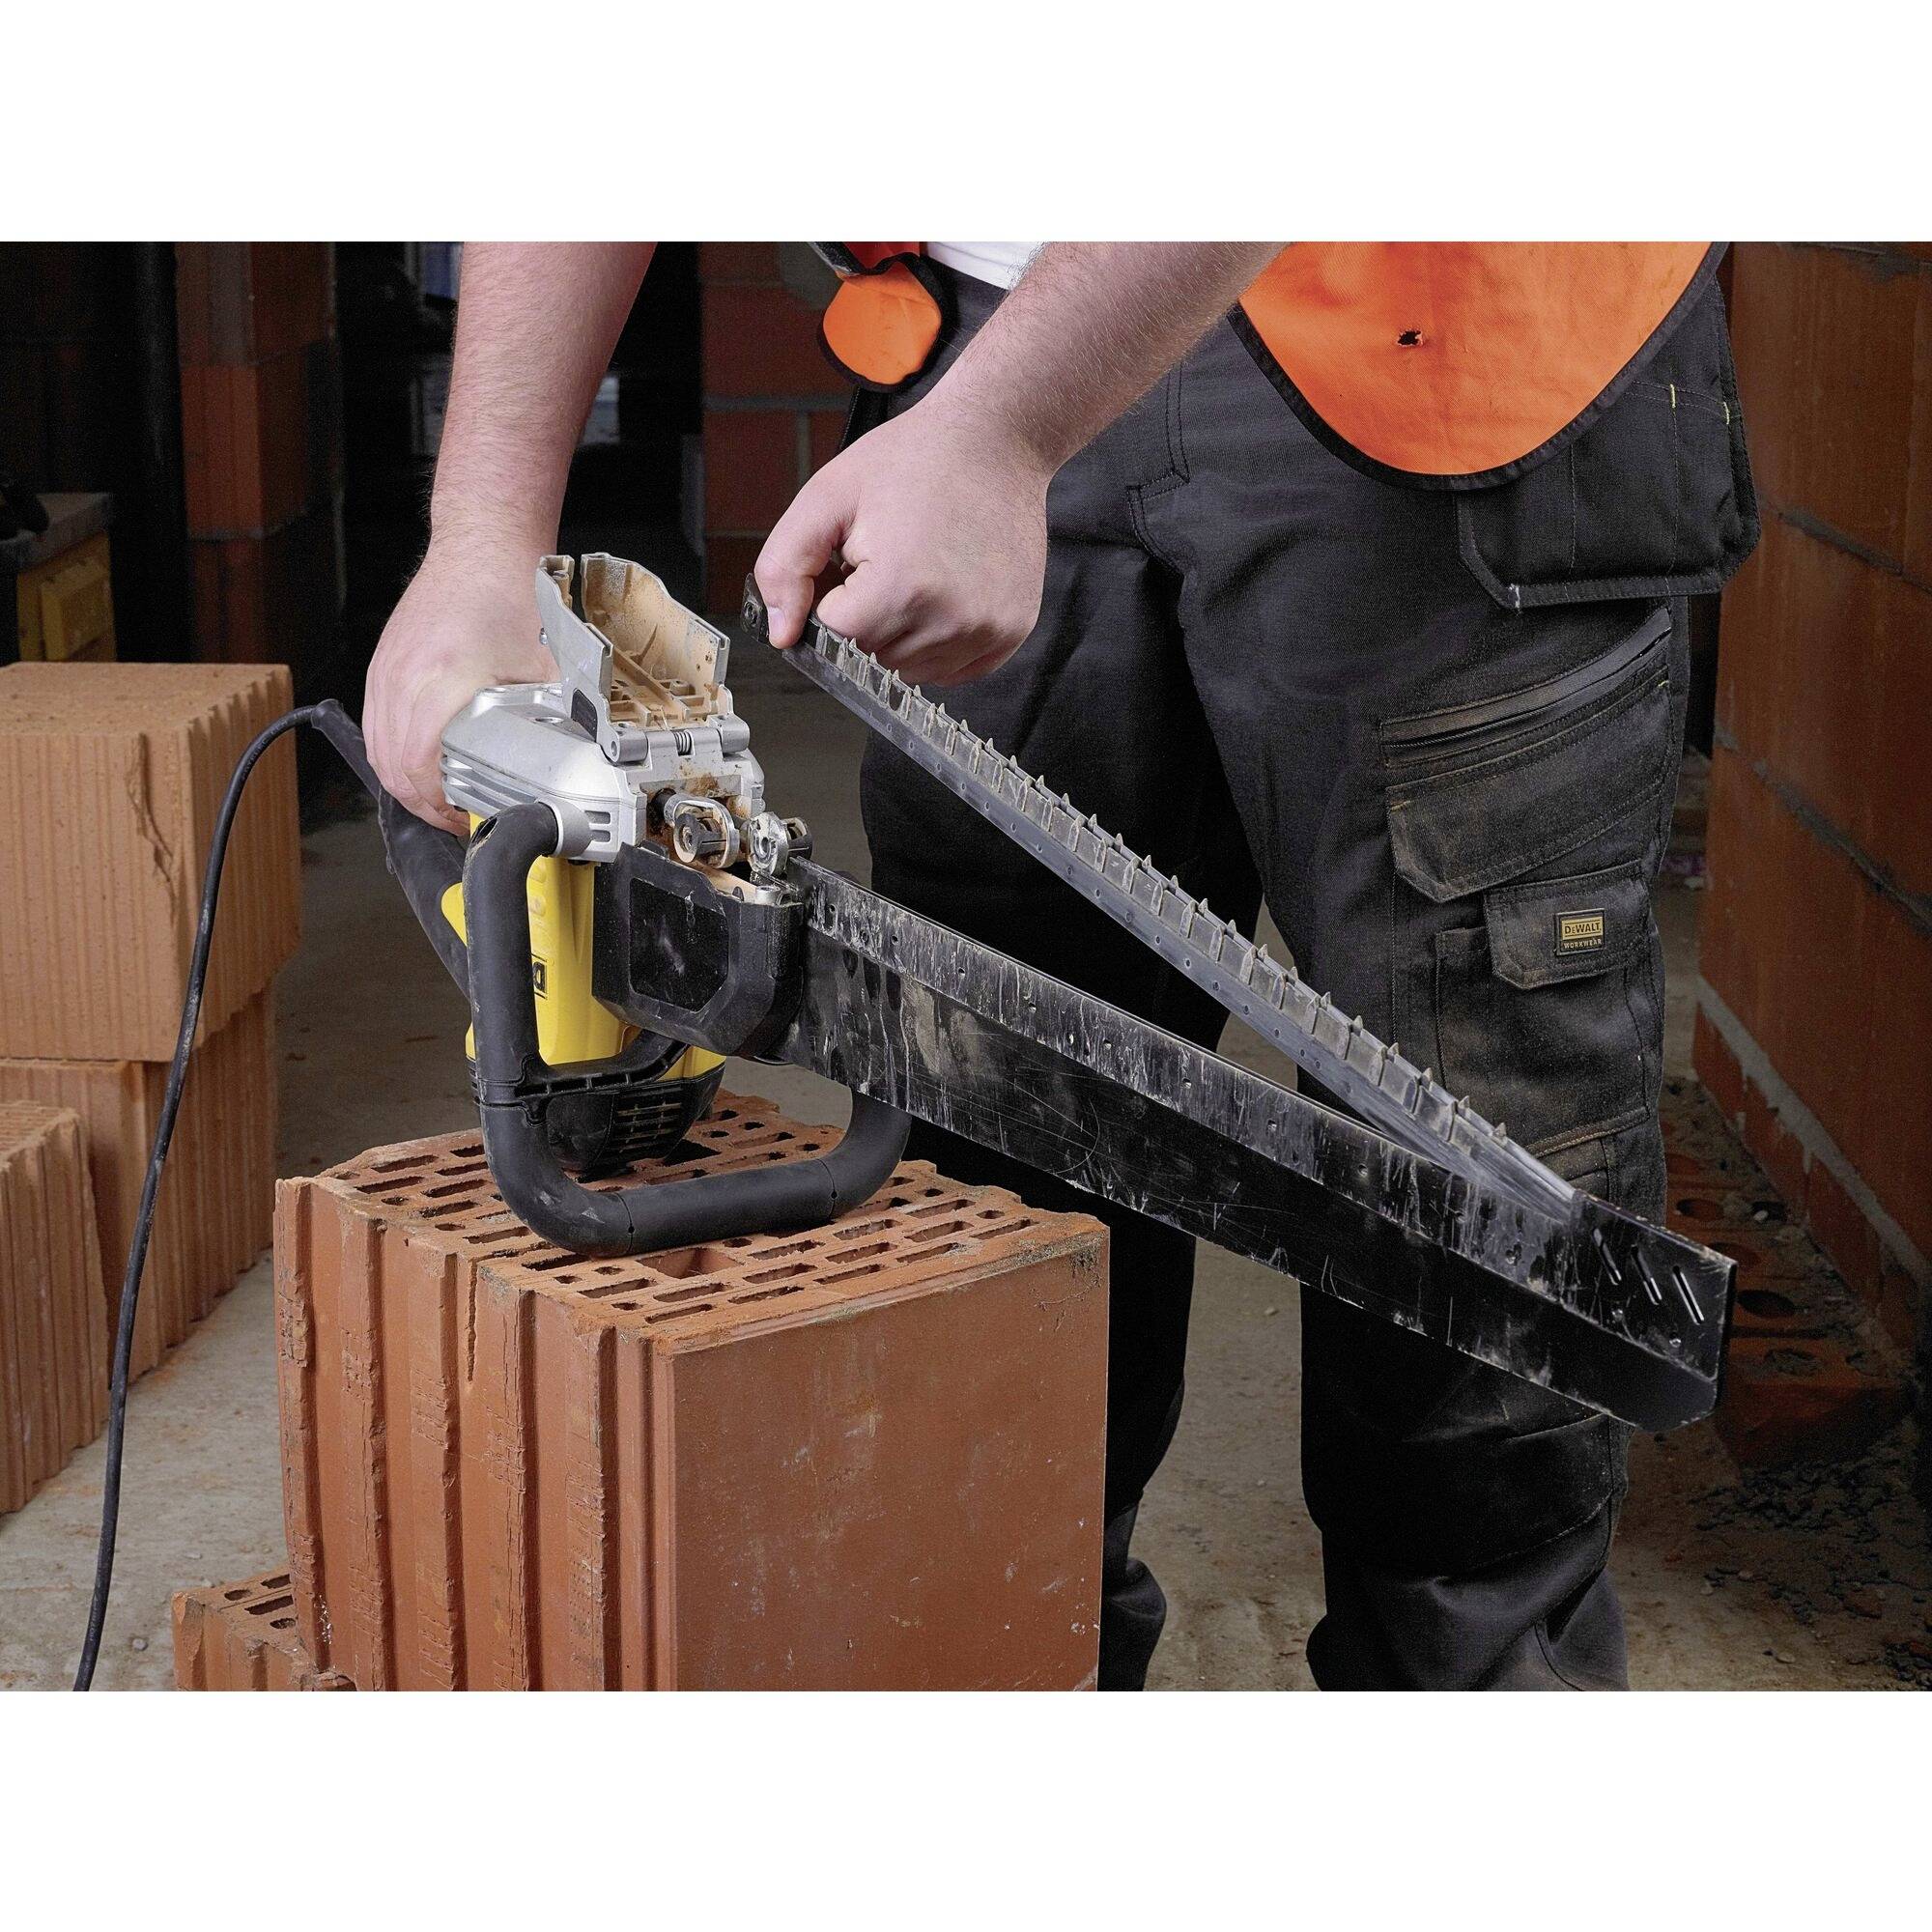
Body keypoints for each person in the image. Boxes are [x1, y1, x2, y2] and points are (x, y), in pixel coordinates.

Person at [365, 240, 1757, 1689]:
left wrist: (1000, 429)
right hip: (983, 325)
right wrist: (481, 535)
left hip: (1452, 349)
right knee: (995, 1169)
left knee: (1482, 1214)